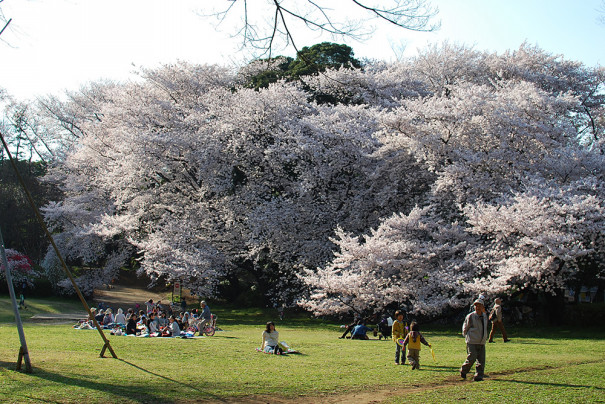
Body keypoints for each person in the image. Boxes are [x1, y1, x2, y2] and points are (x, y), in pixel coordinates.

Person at [460, 298, 489, 381]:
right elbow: (465, 328)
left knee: (481, 360)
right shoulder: (471, 316)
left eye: (479, 305)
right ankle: (464, 370)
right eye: (476, 306)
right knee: (472, 357)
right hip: (472, 340)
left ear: (482, 306)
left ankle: (479, 376)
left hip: (481, 341)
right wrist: (466, 336)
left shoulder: (484, 316)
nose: (477, 307)